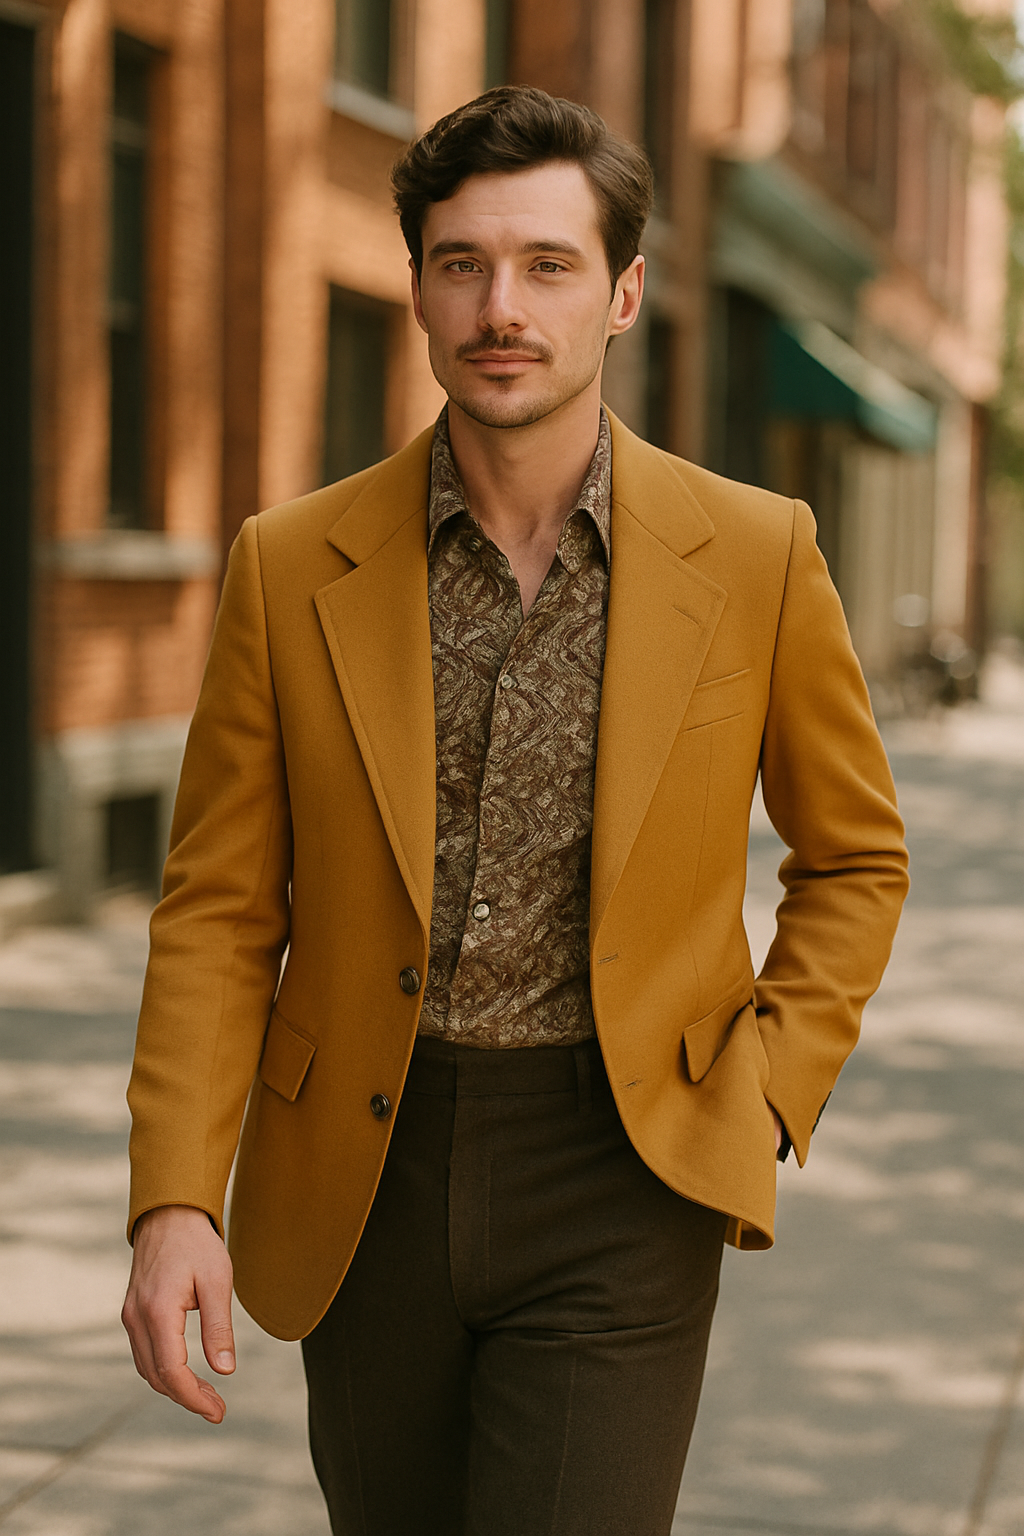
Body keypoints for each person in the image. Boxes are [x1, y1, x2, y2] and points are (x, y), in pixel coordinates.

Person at [122, 86, 909, 1536]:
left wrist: (767, 1091)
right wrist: (175, 1195)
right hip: (367, 1169)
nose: (503, 305)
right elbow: (221, 911)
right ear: (415, 286)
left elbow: (855, 856)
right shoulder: (288, 566)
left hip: (624, 1164)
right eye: (463, 262)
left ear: (622, 295)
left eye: (548, 265)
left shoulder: (756, 553)